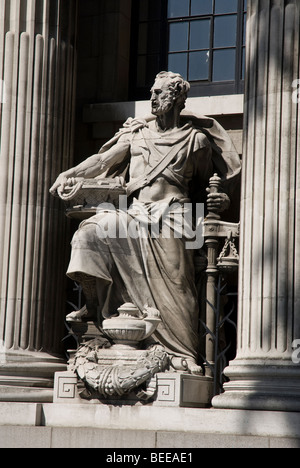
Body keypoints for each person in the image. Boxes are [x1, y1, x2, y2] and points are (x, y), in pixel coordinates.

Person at [50, 71, 241, 374]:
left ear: (177, 97)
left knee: (178, 285)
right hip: (133, 210)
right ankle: (95, 307)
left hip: (178, 214)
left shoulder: (197, 141)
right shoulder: (135, 135)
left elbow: (205, 189)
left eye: (159, 92)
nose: (151, 97)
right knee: (89, 233)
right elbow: (102, 162)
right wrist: (71, 174)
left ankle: (181, 350)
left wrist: (222, 202)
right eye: (151, 91)